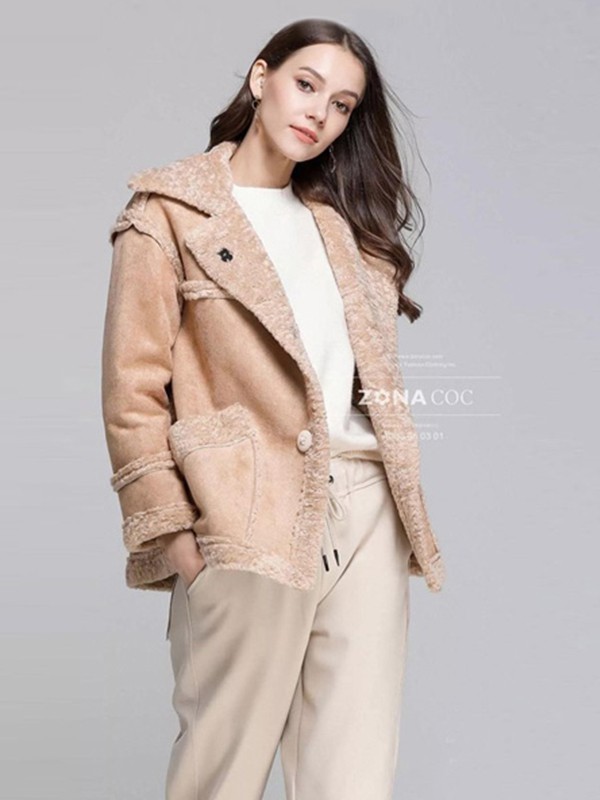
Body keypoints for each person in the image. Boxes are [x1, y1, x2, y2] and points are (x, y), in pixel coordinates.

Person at [101, 17, 445, 800]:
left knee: (353, 778)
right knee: (221, 772)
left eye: (342, 105)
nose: (319, 112)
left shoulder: (347, 231)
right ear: (262, 79)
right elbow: (132, 392)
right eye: (306, 84)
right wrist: (176, 536)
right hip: (247, 511)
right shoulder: (169, 213)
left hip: (368, 505)